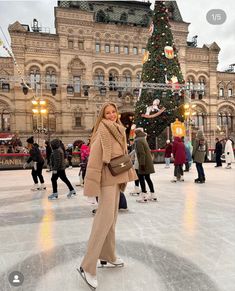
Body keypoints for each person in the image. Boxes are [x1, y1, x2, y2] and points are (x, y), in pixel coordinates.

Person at [78, 102, 137, 289]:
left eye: (114, 112)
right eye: (108, 112)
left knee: (111, 220)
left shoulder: (118, 129)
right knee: (102, 223)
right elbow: (94, 161)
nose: (111, 115)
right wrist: (91, 188)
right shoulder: (102, 132)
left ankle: (108, 255)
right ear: (102, 115)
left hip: (116, 178)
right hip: (106, 181)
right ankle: (87, 266)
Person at [134, 128, 156, 202]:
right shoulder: (143, 139)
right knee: (147, 178)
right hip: (148, 162)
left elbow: (142, 154)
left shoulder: (138, 141)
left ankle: (143, 195)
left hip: (144, 163)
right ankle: (153, 194)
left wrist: (142, 165)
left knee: (141, 178)